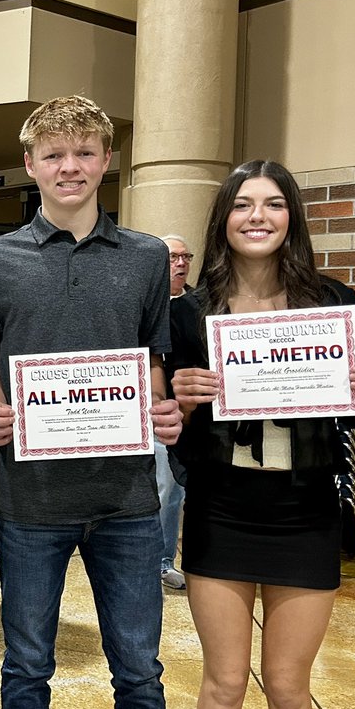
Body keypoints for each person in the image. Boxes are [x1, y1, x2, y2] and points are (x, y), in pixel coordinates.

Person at [167, 160, 355, 709]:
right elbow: (176, 443)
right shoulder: (192, 313)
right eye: (243, 205)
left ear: (291, 218)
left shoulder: (333, 303)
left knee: (290, 686)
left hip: (305, 514)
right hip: (222, 510)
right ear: (224, 219)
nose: (258, 217)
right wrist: (182, 401)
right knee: (223, 683)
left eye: (273, 205)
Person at [0, 95, 182, 709]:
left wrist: (159, 405)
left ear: (107, 161)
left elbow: (153, 356)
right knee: (28, 666)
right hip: (31, 501)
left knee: (140, 670)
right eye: (55, 155)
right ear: (30, 164)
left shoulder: (148, 256)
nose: (71, 167)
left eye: (85, 152)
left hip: (127, 500)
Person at [157, 233, 194, 590]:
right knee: (160, 489)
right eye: (173, 258)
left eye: (185, 257)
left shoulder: (199, 306)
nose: (181, 264)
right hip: (152, 414)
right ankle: (152, 559)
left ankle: (165, 560)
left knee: (175, 492)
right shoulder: (146, 304)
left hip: (188, 418)